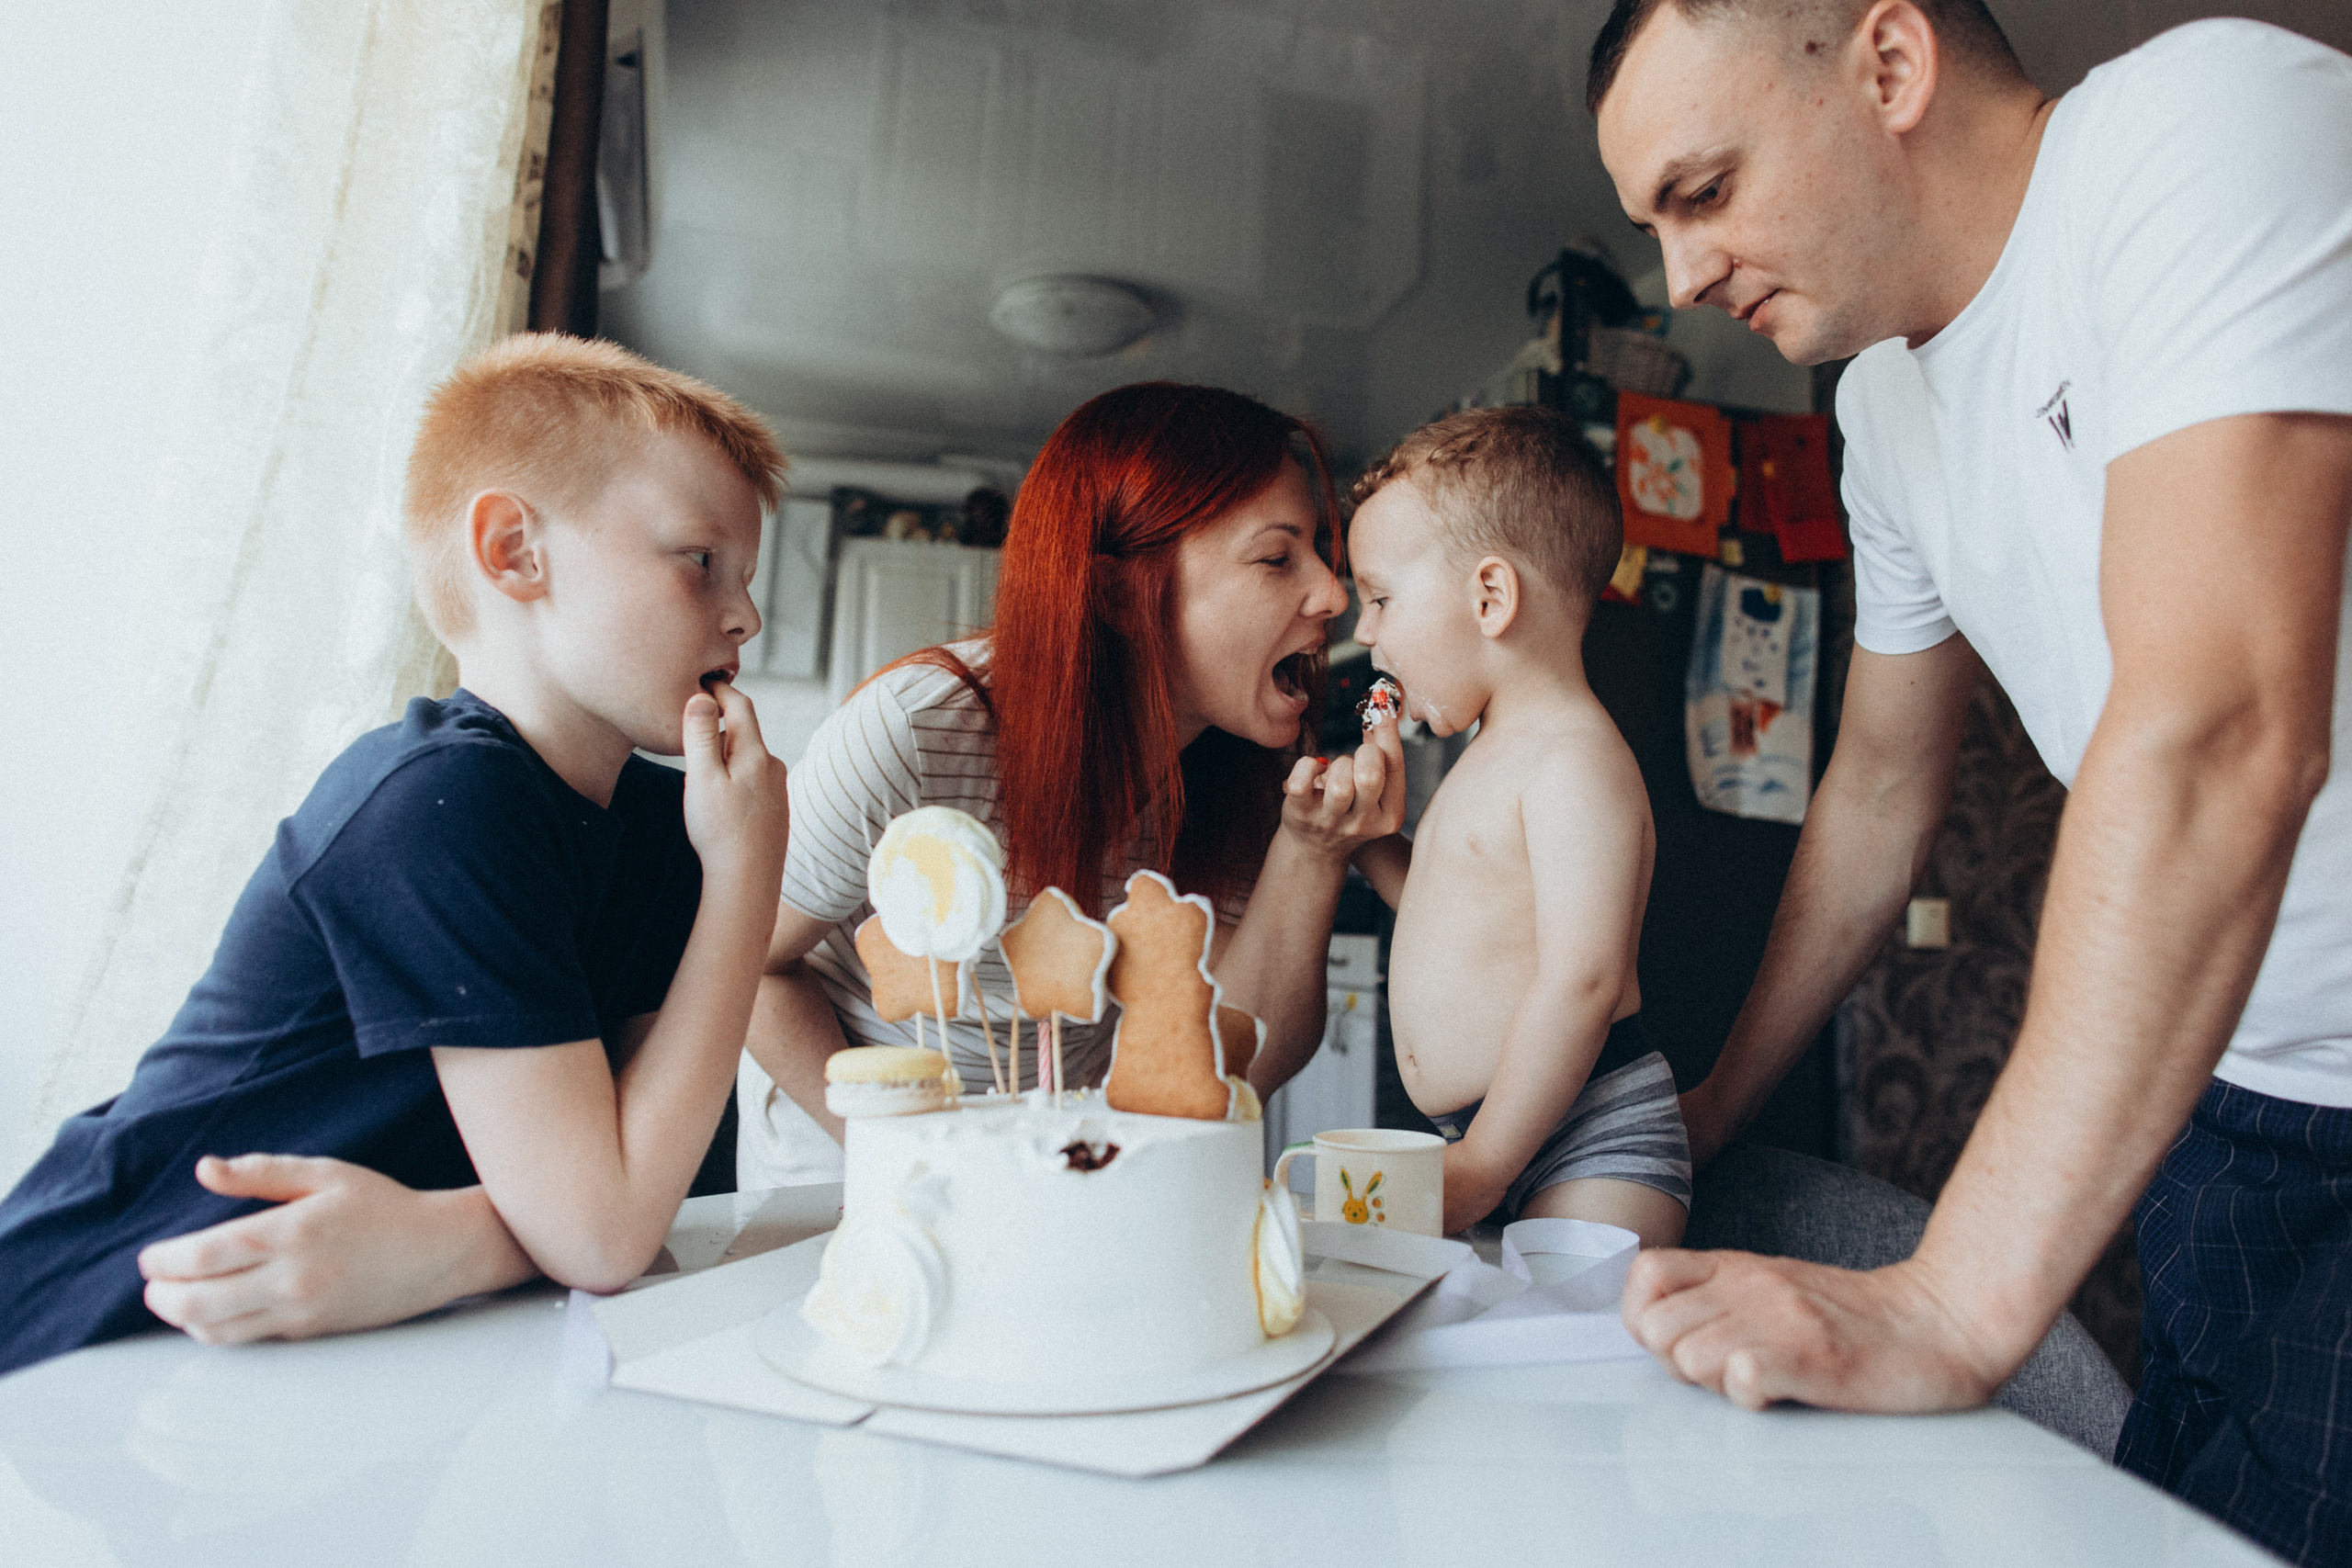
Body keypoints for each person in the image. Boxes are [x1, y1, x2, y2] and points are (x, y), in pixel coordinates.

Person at [1588, 2, 2352, 1559]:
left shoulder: (2200, 122)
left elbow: (2220, 728)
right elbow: (1875, 796)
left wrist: (1953, 1296)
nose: (1683, 276)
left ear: (1888, 64)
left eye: (1703, 190)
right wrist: (1721, 1101)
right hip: (2225, 1096)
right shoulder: (1881, 414)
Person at [0, 334, 790, 1373]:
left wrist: (446, 1247)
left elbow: (663, 1191)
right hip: (103, 1327)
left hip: (326, 1361)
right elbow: (604, 1234)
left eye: (744, 575)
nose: (746, 612)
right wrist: (746, 876)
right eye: (699, 561)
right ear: (514, 551)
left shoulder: (662, 827)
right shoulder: (444, 800)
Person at [736, 382, 1403, 1179]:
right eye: (1276, 557)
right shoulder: (914, 731)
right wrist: (892, 1157)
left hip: (1052, 1163)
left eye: (1322, 554)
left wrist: (1312, 853)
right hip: (847, 1165)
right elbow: (746, 965)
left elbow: (1239, 1058)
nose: (1333, 594)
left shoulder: (1237, 772)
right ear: (1122, 593)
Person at [1344, 407, 1689, 1244]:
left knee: (1577, 1355)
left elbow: (1584, 979)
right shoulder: (1489, 752)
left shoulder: (1573, 759)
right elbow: (1452, 917)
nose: (1364, 634)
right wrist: (1365, 839)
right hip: (1480, 1136)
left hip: (1592, 1136)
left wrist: (1484, 1167)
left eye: (1382, 599)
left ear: (1491, 597)